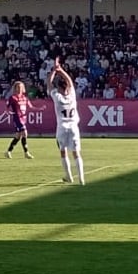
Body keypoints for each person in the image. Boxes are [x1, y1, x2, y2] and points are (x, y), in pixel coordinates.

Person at [48, 57, 84, 185]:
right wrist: (61, 69)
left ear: (59, 88)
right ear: (67, 88)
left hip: (62, 127)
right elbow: (70, 81)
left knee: (63, 152)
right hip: (74, 127)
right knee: (76, 153)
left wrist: (54, 71)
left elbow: (49, 84)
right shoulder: (72, 96)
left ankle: (69, 176)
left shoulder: (57, 97)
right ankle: (81, 179)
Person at [3, 80, 35, 159]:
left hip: (23, 118)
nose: (19, 89)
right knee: (25, 133)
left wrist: (39, 108)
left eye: (21, 87)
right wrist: (8, 111)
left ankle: (8, 151)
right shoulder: (13, 98)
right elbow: (7, 106)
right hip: (17, 118)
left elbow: (31, 106)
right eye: (18, 87)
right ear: (15, 88)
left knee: (18, 136)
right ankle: (26, 152)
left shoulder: (24, 98)